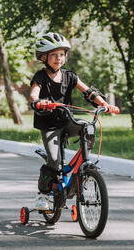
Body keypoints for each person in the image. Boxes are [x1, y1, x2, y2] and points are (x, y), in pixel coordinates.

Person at [29, 32, 119, 210]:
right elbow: (33, 94)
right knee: (54, 161)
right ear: (44, 57)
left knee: (89, 128)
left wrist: (104, 104)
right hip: (49, 125)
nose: (59, 59)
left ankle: (81, 169)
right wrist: (39, 102)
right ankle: (43, 195)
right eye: (54, 55)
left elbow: (88, 92)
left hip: (67, 119)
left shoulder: (70, 76)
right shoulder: (40, 77)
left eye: (62, 54)